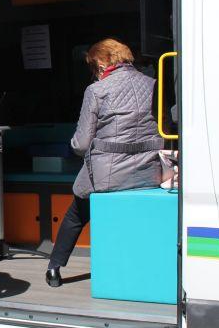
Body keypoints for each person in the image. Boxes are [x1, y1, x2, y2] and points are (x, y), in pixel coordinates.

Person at [46, 38, 164, 287]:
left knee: (76, 213)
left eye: (92, 67)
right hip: (148, 172)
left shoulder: (97, 91)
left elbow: (80, 144)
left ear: (101, 63)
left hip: (108, 176)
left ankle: (55, 267)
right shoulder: (153, 84)